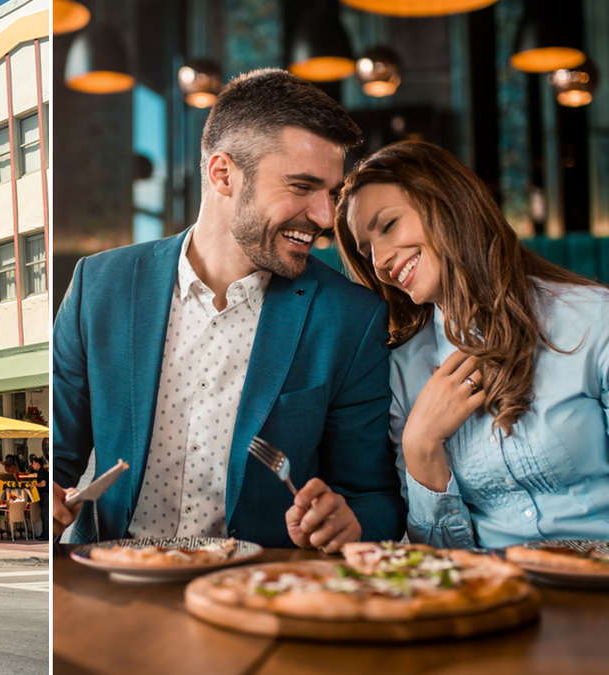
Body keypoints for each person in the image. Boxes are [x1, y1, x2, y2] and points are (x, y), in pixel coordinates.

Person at [52, 68, 406, 551]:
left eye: (332, 193)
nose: (325, 217)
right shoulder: (101, 286)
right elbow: (55, 458)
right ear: (223, 174)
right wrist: (45, 501)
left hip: (256, 595)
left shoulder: (351, 319)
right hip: (114, 583)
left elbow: (375, 499)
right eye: (302, 187)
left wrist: (349, 522)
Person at [334, 140, 609, 548]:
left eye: (388, 225)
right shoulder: (402, 369)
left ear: (446, 204)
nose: (378, 260)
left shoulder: (597, 320)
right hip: (490, 596)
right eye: (367, 250)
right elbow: (439, 561)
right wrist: (421, 444)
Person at [31, 456, 49, 540]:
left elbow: (43, 484)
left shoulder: (41, 472)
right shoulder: (43, 472)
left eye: (33, 463)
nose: (32, 465)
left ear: (37, 464)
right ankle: (44, 533)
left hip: (45, 495)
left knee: (45, 515)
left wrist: (34, 485)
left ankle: (46, 534)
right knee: (44, 515)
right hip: (45, 495)